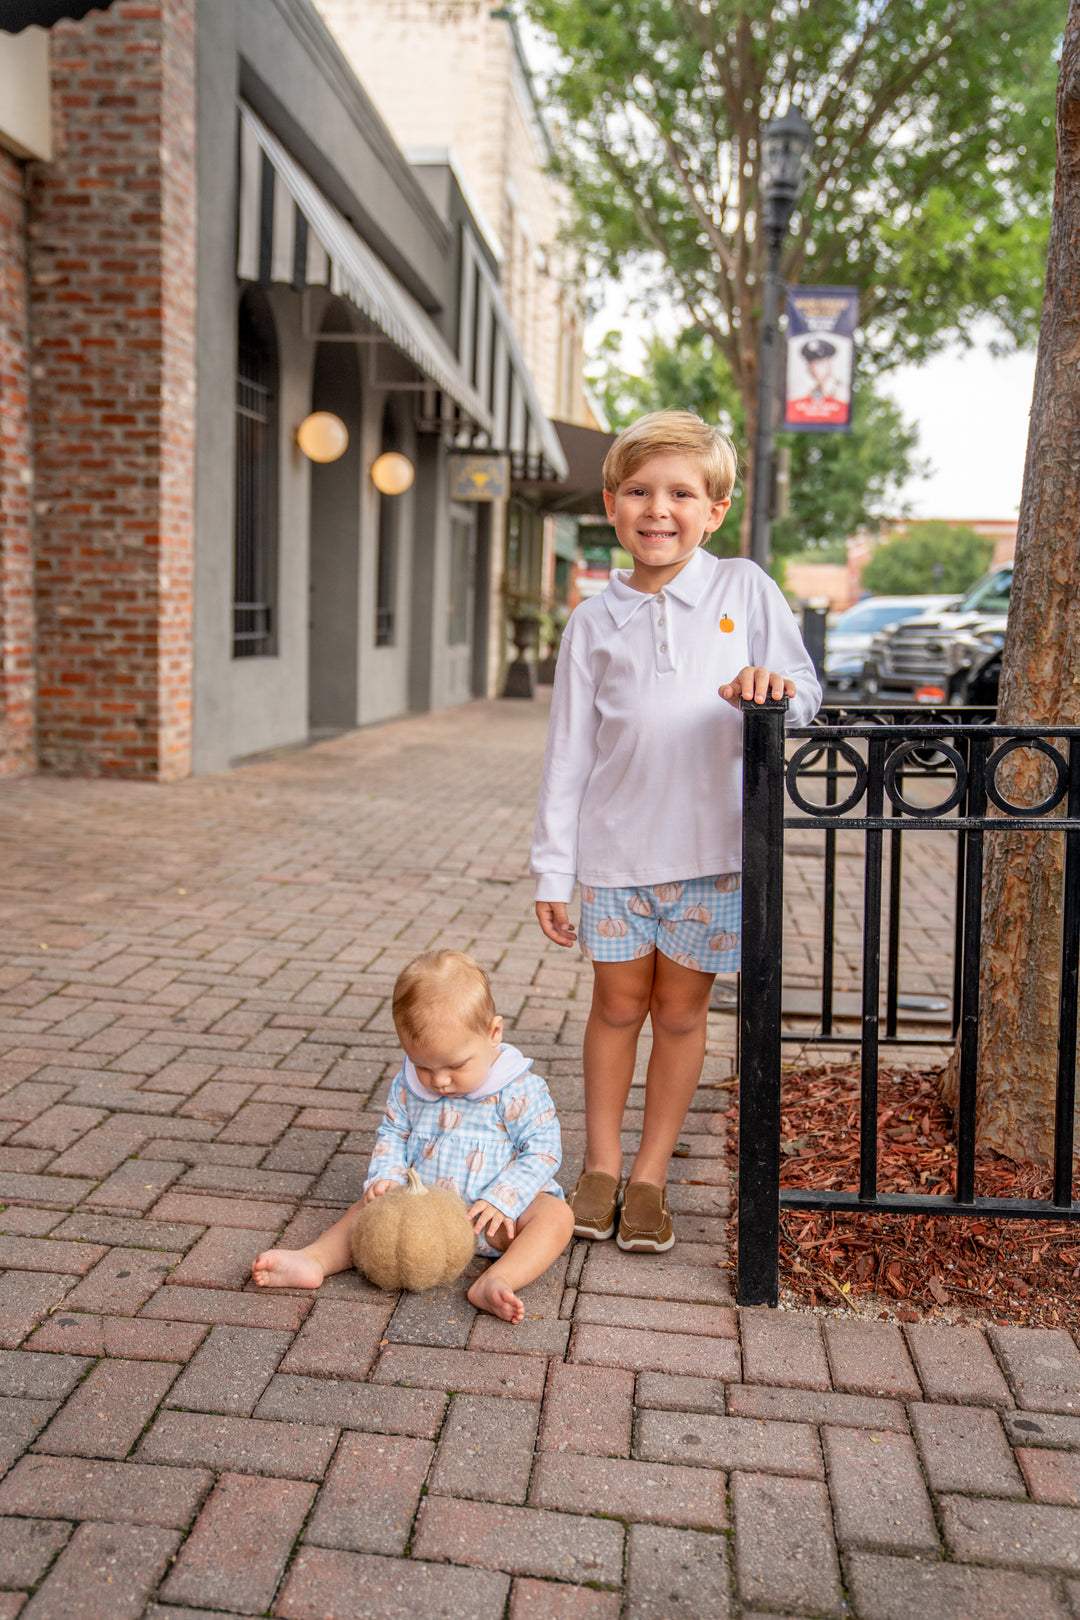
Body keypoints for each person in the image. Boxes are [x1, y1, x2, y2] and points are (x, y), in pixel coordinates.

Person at [531, 410, 821, 1253]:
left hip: (711, 857)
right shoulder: (592, 621)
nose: (659, 509)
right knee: (617, 1007)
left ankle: (651, 1177)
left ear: (715, 508)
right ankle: (599, 1166)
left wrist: (773, 686)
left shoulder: (744, 590)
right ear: (613, 507)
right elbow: (567, 756)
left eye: (681, 493)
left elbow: (805, 693)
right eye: (639, 492)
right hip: (616, 854)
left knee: (682, 1015)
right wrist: (555, 870)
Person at [252, 950, 574, 1322]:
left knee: (556, 1217)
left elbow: (543, 1151)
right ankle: (315, 1259)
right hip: (422, 1218)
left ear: (493, 1033)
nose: (439, 1080)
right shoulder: (408, 1087)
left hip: (496, 1218)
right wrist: (386, 1176)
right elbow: (394, 1132)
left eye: (455, 1065)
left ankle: (498, 1279)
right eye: (422, 1065)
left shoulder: (518, 1089)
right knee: (368, 1212)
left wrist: (505, 1198)